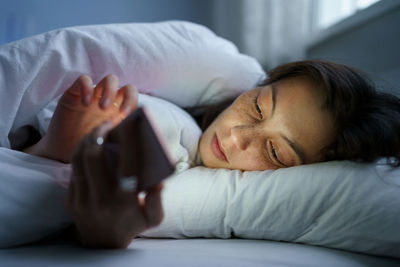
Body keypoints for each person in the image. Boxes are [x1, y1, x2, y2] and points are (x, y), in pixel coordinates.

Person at [22, 60, 400, 248]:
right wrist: (50, 147)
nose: (236, 136)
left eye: (274, 151)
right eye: (256, 107)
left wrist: (103, 232)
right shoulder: (174, 115)